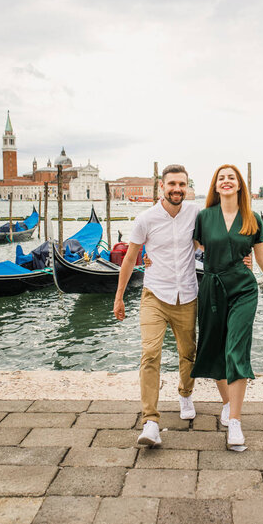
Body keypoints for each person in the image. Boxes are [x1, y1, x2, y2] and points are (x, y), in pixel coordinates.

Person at [191, 164, 263, 447]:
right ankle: (227, 403)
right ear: (216, 187)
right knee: (213, 350)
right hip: (211, 288)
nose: (227, 181)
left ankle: (235, 422)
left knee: (236, 350)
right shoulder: (204, 217)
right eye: (222, 178)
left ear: (240, 185)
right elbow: (191, 249)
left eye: (232, 177)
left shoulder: (251, 218)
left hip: (244, 289)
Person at [113, 164, 200, 447]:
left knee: (188, 353)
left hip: (187, 295)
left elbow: (216, 239)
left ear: (187, 188)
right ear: (161, 186)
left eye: (182, 185)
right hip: (154, 296)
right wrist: (119, 296)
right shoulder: (145, 219)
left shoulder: (196, 214)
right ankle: (150, 421)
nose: (177, 189)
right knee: (150, 354)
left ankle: (185, 393)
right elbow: (130, 258)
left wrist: (245, 257)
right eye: (172, 184)